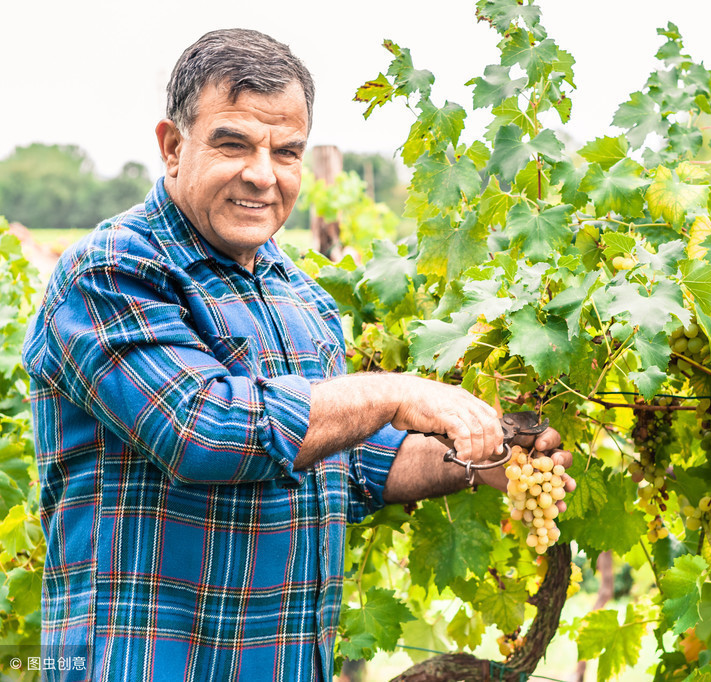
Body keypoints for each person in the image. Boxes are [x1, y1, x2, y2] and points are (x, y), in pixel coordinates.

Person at [21, 28, 572, 682]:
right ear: (172, 147)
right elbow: (206, 432)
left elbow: (344, 465)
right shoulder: (111, 272)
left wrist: (478, 456)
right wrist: (392, 393)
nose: (262, 174)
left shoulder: (300, 295)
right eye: (234, 144)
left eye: (286, 152)